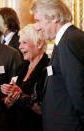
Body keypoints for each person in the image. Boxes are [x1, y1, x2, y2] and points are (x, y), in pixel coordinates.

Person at [31, 0, 84, 131]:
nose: (36, 27)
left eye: (38, 20)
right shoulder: (64, 40)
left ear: (54, 17)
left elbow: (78, 89)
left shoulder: (69, 41)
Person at [1, 24, 49, 131]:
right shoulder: (22, 67)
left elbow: (44, 109)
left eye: (24, 43)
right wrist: (9, 97)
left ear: (39, 43)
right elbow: (8, 103)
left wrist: (20, 94)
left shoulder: (47, 69)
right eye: (19, 43)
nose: (20, 47)